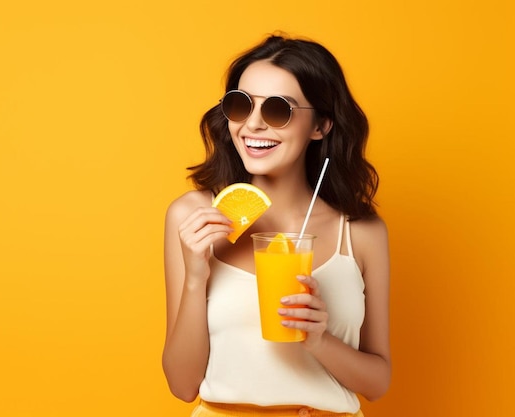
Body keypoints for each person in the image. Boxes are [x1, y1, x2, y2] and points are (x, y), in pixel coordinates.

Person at [162, 33, 391, 417]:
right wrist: (194, 276)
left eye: (278, 110)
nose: (252, 125)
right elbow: (182, 385)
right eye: (240, 105)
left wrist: (319, 340)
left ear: (320, 125)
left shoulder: (362, 233)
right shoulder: (194, 218)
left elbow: (378, 382)